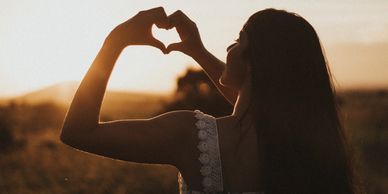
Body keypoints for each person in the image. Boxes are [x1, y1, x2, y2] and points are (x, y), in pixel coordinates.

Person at [60, 7, 362, 194]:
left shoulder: (191, 137)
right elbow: (257, 104)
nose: (229, 47)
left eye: (238, 39)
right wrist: (198, 50)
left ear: (255, 62)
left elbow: (78, 131)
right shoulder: (308, 147)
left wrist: (117, 39)